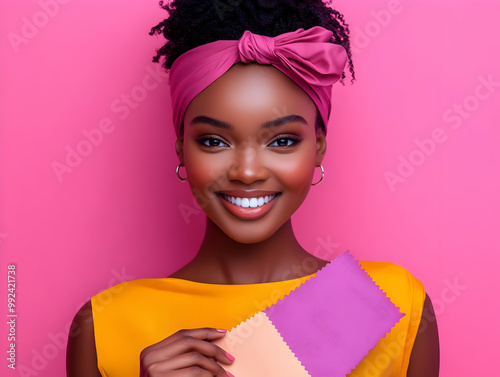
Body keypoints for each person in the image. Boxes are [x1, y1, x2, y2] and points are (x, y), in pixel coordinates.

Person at [66, 0, 440, 376]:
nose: (246, 172)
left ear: (318, 147)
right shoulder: (104, 325)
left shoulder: (390, 301)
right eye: (214, 141)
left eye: (282, 141)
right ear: (181, 148)